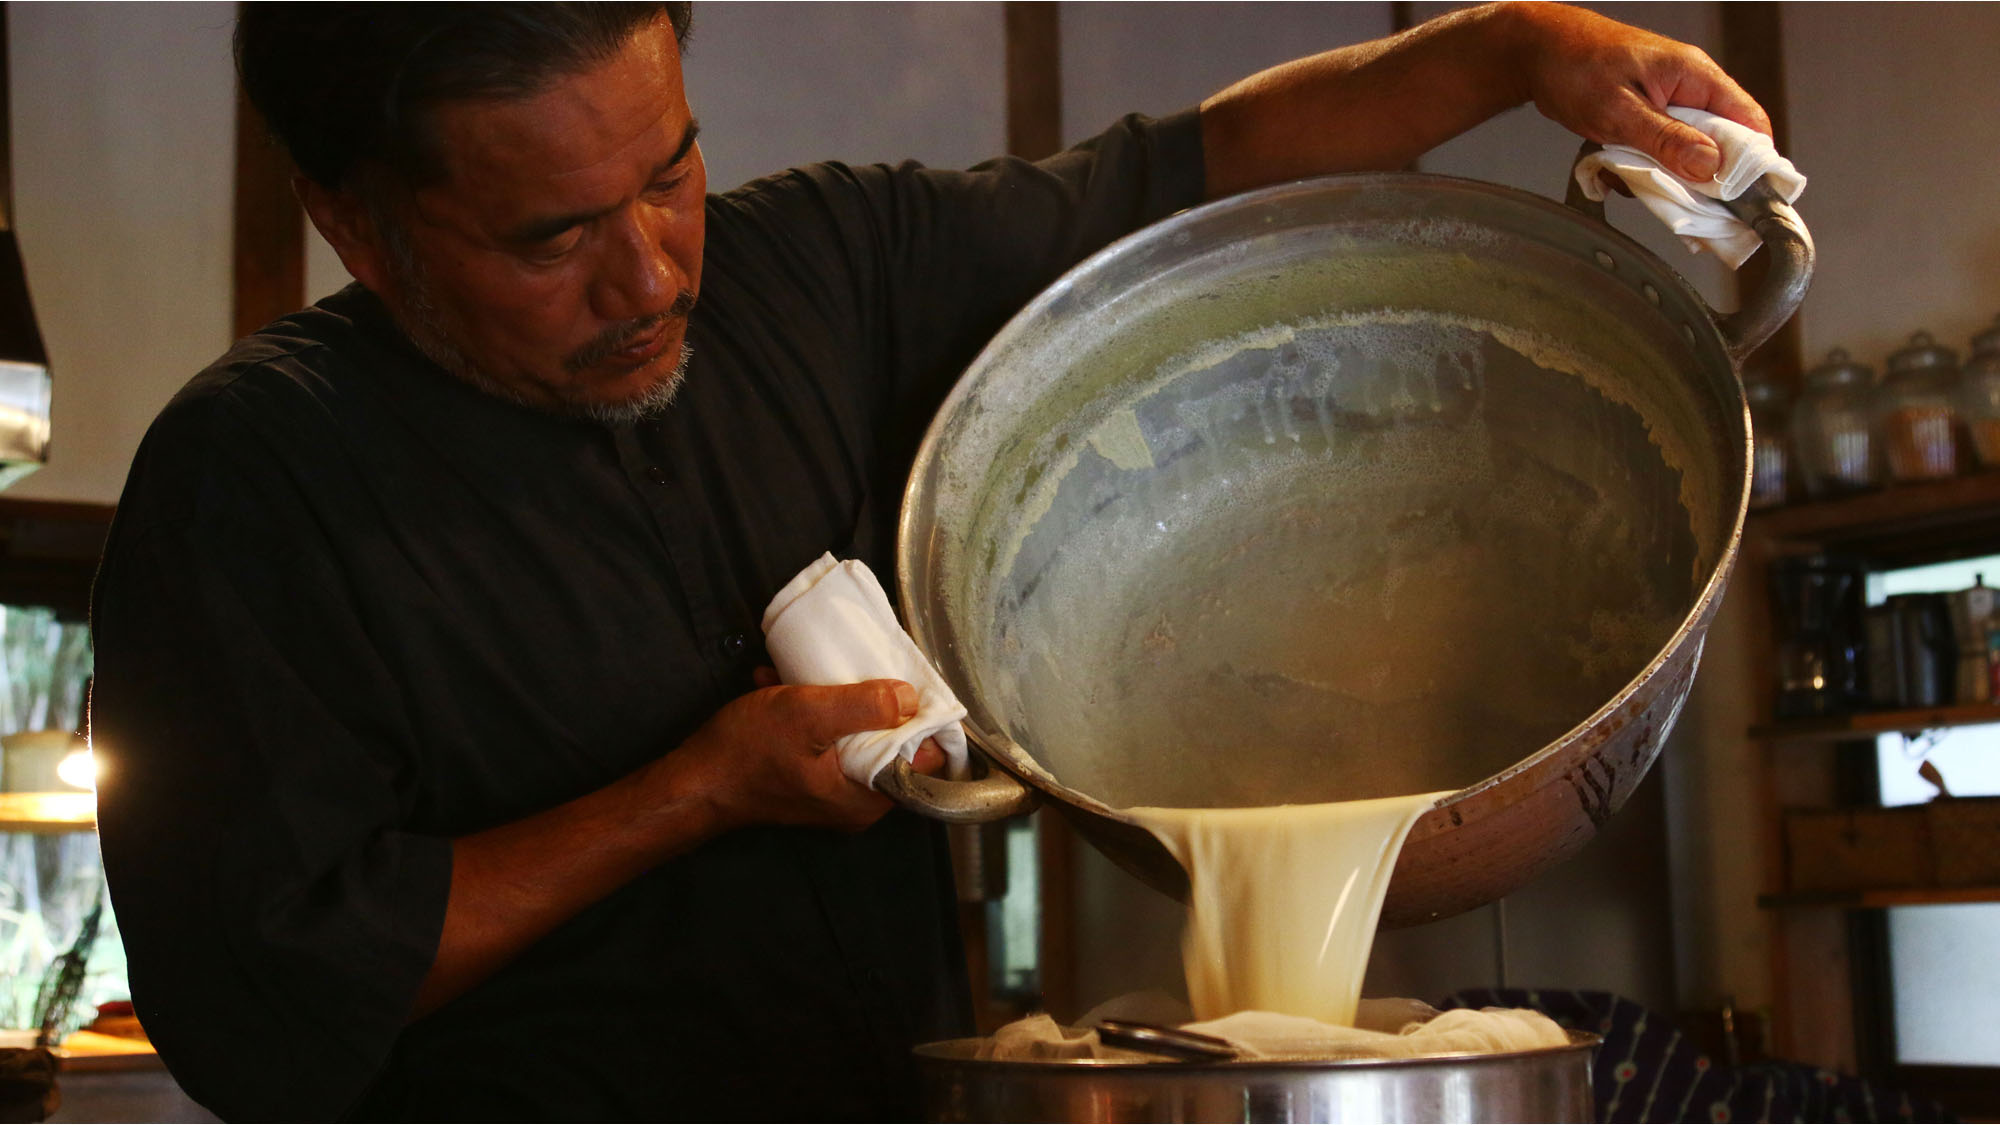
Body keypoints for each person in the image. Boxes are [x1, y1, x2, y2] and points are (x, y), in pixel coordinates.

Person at [88, 3, 1770, 1119]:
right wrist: (695, 790)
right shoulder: (256, 481)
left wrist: (1520, 50)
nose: (653, 275)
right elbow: (265, 976)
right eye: (555, 237)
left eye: (670, 172)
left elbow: (1183, 173)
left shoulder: (820, 267)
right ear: (358, 226)